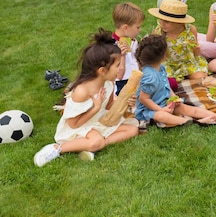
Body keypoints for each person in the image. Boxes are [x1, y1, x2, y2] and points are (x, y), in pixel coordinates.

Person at [34, 29, 139, 167]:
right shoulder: (82, 91)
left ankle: (92, 145)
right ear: (102, 71)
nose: (120, 69)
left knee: (133, 129)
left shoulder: (109, 83)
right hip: (79, 127)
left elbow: (109, 106)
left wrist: (126, 102)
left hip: (98, 121)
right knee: (97, 141)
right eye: (117, 66)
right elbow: (73, 124)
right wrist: (95, 107)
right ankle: (57, 149)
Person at [134, 34, 216, 127]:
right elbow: (144, 99)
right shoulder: (150, 77)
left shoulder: (160, 68)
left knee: (187, 108)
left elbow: (165, 85)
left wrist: (174, 98)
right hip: (149, 110)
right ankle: (196, 123)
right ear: (164, 56)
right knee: (162, 116)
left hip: (164, 102)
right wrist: (160, 109)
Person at [148, 0, 209, 91]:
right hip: (168, 64)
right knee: (167, 83)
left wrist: (197, 50)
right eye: (160, 19)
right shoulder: (158, 32)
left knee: (201, 78)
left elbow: (196, 53)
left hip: (188, 62)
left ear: (179, 22)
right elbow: (157, 54)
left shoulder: (191, 30)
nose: (162, 23)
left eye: (166, 22)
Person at [112, 2, 145, 96]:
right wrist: (121, 56)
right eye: (138, 27)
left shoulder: (133, 41)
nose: (140, 30)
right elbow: (116, 75)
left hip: (136, 78)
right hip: (121, 83)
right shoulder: (112, 46)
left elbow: (137, 61)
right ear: (125, 28)